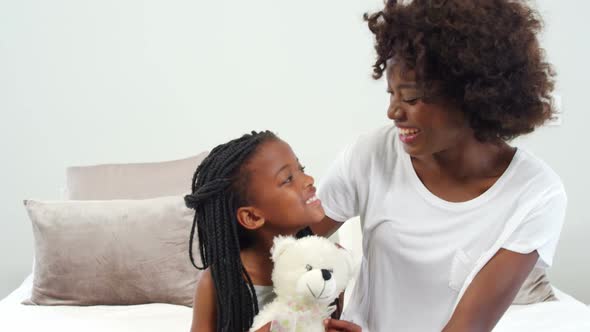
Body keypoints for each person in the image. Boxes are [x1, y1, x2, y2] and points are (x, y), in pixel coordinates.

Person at [316, 1, 566, 331]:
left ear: (471, 96)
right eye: (391, 94)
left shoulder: (536, 195)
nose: (393, 112)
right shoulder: (371, 154)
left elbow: (468, 326)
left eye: (411, 98)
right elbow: (279, 247)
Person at [184, 131, 325, 332]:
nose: (309, 179)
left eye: (301, 169)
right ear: (252, 217)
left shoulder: (327, 264)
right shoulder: (216, 283)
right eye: (288, 179)